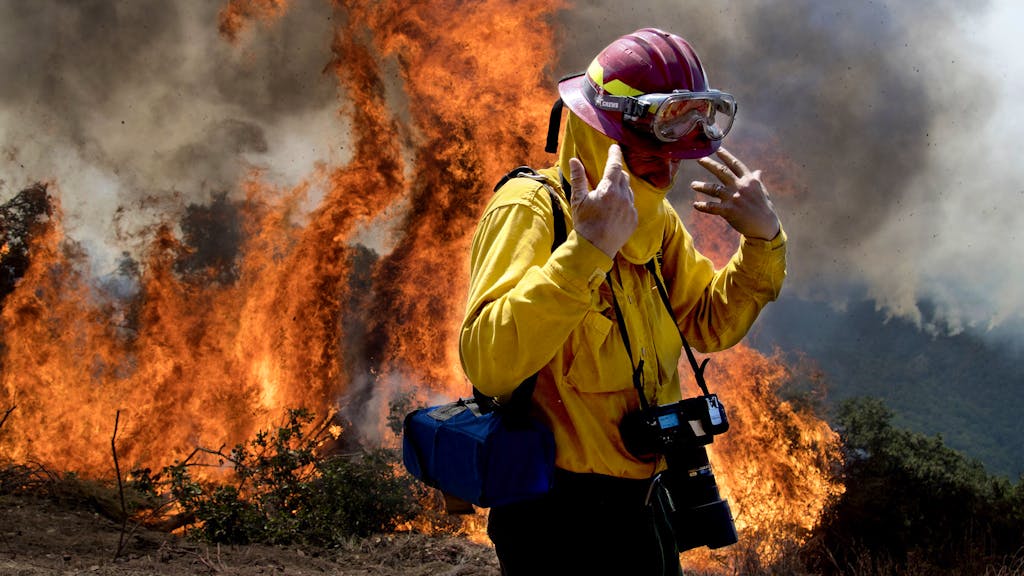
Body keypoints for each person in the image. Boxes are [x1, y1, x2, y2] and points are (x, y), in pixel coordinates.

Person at [459, 28, 786, 575]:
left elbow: (707, 325)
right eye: (648, 158)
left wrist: (763, 242)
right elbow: (490, 362)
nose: (667, 173)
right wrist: (586, 251)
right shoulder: (531, 210)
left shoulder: (656, 222)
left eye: (676, 159)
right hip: (556, 517)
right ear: (599, 139)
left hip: (646, 500)